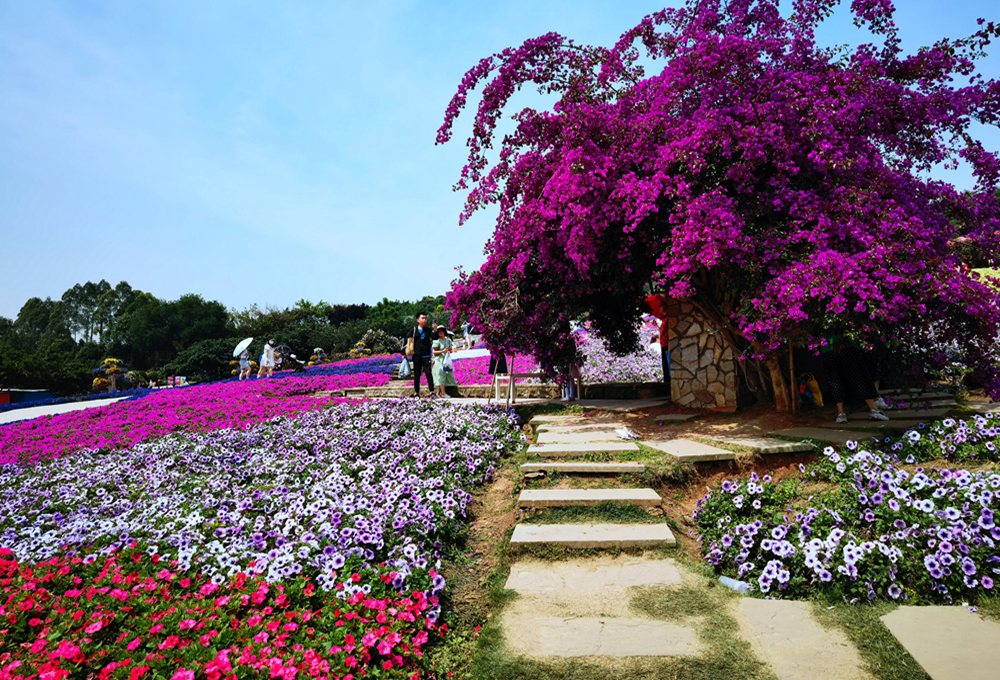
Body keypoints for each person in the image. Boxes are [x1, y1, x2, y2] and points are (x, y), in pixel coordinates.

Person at [820, 334, 889, 423]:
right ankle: (874, 409)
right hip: (846, 345)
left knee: (836, 380)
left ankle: (841, 414)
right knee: (858, 377)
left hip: (828, 346)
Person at [411, 314, 435, 397]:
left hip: (426, 355)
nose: (424, 320)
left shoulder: (428, 330)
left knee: (429, 373)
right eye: (422, 318)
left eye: (425, 318)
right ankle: (417, 393)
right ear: (418, 320)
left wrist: (435, 329)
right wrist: (404, 353)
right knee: (417, 375)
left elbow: (435, 337)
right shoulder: (414, 330)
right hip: (417, 355)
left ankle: (432, 391)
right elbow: (407, 340)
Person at [432, 326, 458, 398]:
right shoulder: (437, 341)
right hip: (439, 360)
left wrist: (449, 350)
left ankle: (438, 393)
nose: (440, 332)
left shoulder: (448, 340)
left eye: (442, 331)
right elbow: (434, 352)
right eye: (439, 331)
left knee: (443, 375)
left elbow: (451, 350)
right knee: (441, 374)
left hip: (446, 359)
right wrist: (442, 351)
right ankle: (443, 393)